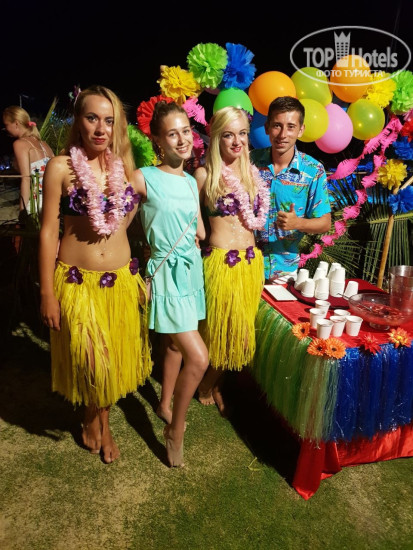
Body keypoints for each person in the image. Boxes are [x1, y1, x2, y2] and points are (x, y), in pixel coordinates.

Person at [39, 85, 152, 463]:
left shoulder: (125, 169)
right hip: (77, 283)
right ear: (78, 121)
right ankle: (98, 421)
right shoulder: (60, 167)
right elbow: (49, 232)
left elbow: (129, 220)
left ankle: (95, 418)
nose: (101, 128)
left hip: (119, 282)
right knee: (96, 362)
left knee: (112, 361)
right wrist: (46, 293)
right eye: (92, 118)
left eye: (109, 120)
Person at [135, 100, 209, 467]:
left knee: (177, 347)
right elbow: (119, 222)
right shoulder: (143, 176)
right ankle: (175, 429)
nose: (182, 140)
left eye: (186, 131)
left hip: (190, 271)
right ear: (158, 141)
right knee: (199, 356)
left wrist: (197, 233)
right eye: (172, 134)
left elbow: (199, 229)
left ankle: (164, 404)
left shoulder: (192, 181)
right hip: (165, 274)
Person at [194, 106, 269, 414]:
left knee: (240, 332)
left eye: (242, 134)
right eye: (228, 135)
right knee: (218, 330)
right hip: (221, 262)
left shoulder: (253, 175)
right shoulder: (204, 175)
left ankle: (214, 384)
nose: (237, 142)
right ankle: (205, 384)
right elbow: (190, 220)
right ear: (216, 138)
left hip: (251, 263)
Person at [250, 96, 331, 282]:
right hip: (245, 264)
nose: (282, 134)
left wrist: (298, 223)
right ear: (267, 127)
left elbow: (325, 223)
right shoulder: (249, 162)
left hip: (284, 272)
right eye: (277, 125)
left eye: (291, 127)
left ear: (301, 130)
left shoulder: (313, 170)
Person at [2, 105, 54, 215]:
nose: (6, 129)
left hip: (36, 202)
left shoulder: (20, 144)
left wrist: (22, 210)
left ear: (16, 123)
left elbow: (26, 179)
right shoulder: (44, 144)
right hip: (52, 200)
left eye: (6, 125)